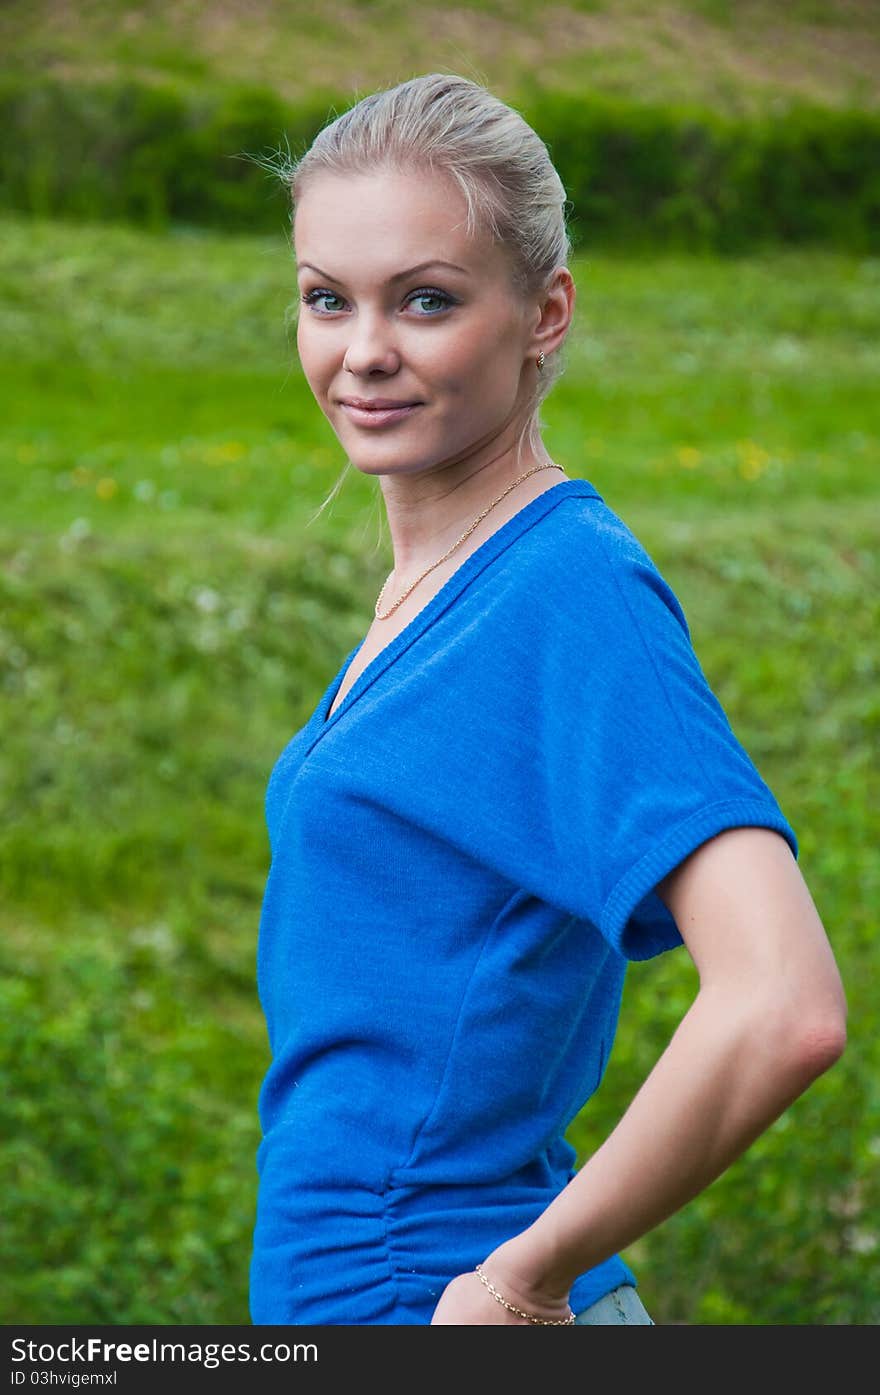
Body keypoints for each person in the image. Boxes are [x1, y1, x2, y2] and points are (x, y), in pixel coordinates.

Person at [247, 73, 847, 1327]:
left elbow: (782, 1003)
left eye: (425, 300)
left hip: (435, 1294)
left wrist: (525, 1274)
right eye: (325, 299)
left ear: (544, 311)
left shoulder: (563, 590)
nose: (363, 352)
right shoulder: (440, 580)